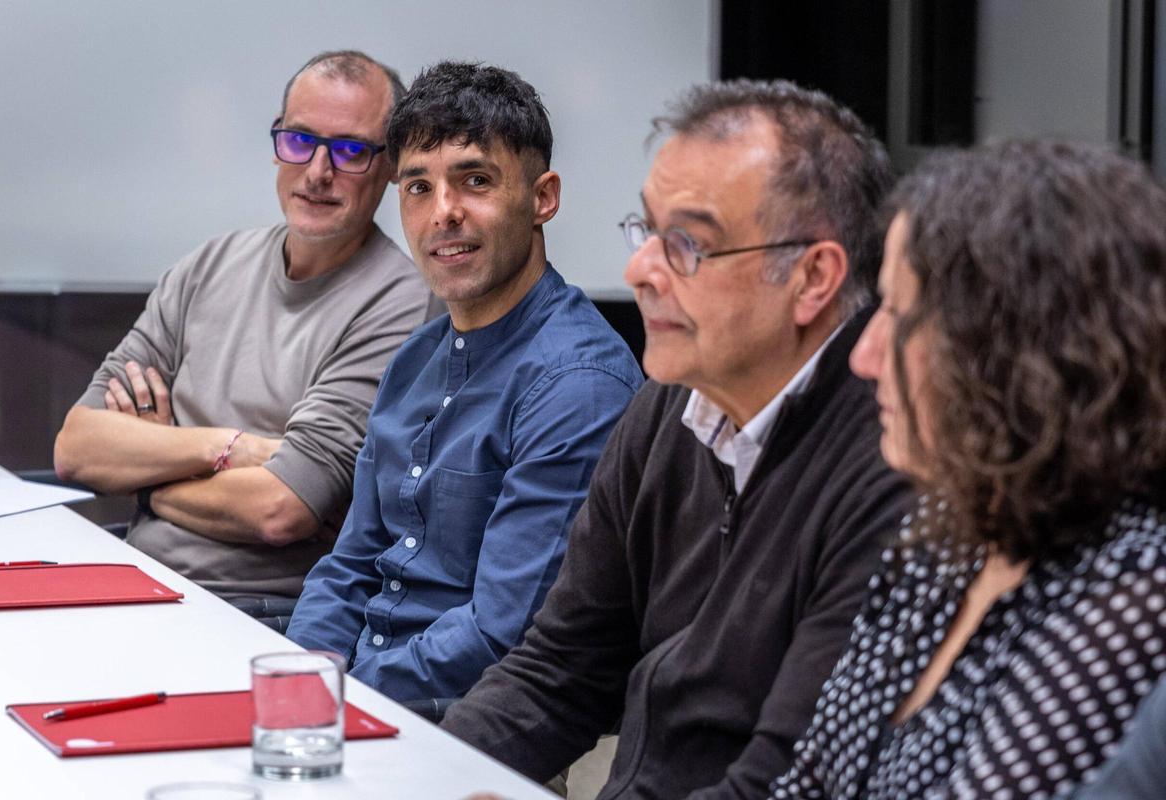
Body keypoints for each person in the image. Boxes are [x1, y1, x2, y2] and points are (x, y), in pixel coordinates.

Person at [440, 79, 913, 798]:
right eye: (648, 231)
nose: (639, 271)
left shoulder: (890, 465)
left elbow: (789, 779)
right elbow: (560, 670)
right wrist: (419, 775)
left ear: (813, 277)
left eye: (687, 244)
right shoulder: (668, 404)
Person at [763, 140, 1166, 799]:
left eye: (896, 314)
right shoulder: (947, 530)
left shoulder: (1137, 593)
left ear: (1008, 349)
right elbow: (808, 780)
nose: (864, 356)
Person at [285, 62, 642, 706]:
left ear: (543, 198)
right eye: (417, 187)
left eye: (474, 181)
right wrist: (304, 677)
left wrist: (343, 697)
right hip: (356, 698)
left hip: (465, 728)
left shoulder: (577, 384)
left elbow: (503, 635)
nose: (442, 213)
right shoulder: (416, 358)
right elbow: (349, 564)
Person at [53, 51, 431, 603]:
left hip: (258, 614)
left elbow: (279, 509)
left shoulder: (401, 303)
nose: (318, 171)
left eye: (350, 150)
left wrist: (146, 474)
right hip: (132, 579)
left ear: (392, 166)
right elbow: (77, 446)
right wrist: (231, 448)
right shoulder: (209, 265)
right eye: (300, 140)